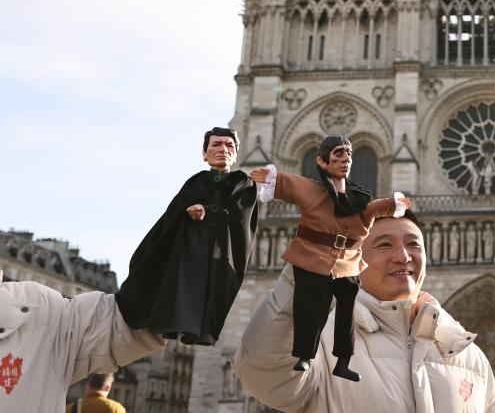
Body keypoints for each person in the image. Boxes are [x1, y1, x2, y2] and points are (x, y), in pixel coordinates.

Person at [233, 209, 495, 412]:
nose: (403, 256)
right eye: (385, 244)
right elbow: (262, 369)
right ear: (354, 258)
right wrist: (307, 268)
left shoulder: (469, 355)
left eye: (413, 245)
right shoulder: (322, 343)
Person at [250, 134, 410, 380]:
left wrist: (395, 203)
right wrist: (272, 178)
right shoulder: (312, 190)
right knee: (310, 307)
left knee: (347, 310)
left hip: (347, 263)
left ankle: (343, 361)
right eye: (339, 154)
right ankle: (304, 355)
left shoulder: (358, 199)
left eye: (349, 154)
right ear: (322, 162)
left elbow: (374, 208)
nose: (346, 159)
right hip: (313, 258)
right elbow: (292, 184)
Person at [115, 127, 258, 346]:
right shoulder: (195, 182)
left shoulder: (243, 183)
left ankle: (200, 330)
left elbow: (240, 216)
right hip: (191, 249)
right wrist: (187, 211)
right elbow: (172, 216)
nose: (223, 150)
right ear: (204, 154)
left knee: (211, 291)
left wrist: (207, 210)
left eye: (229, 145)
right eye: (216, 145)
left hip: (219, 252)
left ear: (236, 154)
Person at [0, 269, 163, 412]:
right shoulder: (115, 409)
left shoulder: (45, 312)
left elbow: (122, 325)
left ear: (89, 386)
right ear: (107, 387)